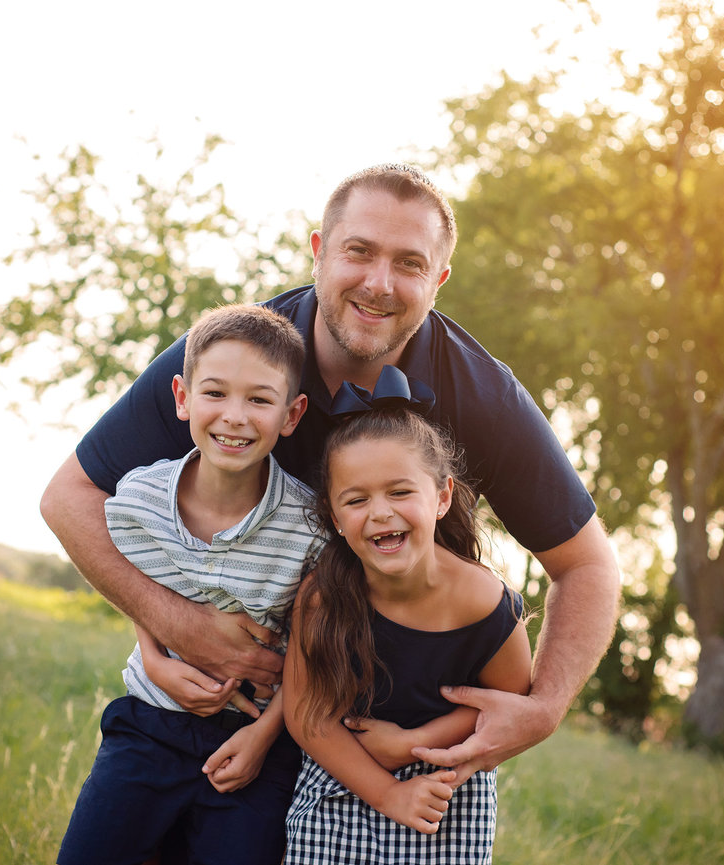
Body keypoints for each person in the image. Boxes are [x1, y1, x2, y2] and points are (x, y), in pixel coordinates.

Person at [40, 162, 620, 781]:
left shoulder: (483, 396)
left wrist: (546, 706)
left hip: (392, 730)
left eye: (409, 263)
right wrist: (171, 621)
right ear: (319, 253)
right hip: (228, 702)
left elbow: (588, 564)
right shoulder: (234, 357)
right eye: (359, 252)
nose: (379, 283)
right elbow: (70, 496)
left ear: (439, 280)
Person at [56, 304, 324, 865]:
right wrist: (154, 659)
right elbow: (138, 581)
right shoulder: (138, 497)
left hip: (252, 743)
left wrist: (264, 736)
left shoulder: (309, 529)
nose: (235, 416)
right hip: (149, 725)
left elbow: (310, 647)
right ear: (181, 397)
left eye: (259, 399)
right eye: (215, 393)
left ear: (291, 413)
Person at [282, 374, 532, 864]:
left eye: (400, 492)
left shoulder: (485, 604)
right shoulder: (322, 596)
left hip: (444, 789)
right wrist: (386, 792)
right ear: (334, 516)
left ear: (441, 497)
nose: (379, 513)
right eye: (356, 500)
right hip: (343, 771)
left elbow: (507, 705)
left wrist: (413, 744)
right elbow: (305, 713)